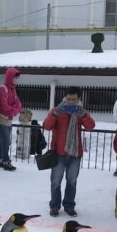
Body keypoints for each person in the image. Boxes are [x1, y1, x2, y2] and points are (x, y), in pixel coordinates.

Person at [43, 87, 96, 217]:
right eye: (69, 99)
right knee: (55, 181)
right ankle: (55, 206)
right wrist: (55, 113)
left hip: (75, 153)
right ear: (65, 98)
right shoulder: (57, 110)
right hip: (59, 152)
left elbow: (90, 126)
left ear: (79, 99)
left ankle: (69, 205)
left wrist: (83, 114)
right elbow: (47, 126)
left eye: (74, 99)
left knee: (72, 182)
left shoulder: (81, 112)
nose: (71, 102)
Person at [0, 67, 22, 171]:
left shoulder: (13, 89)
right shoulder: (2, 88)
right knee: (6, 140)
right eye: (15, 77)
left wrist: (13, 110)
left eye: (17, 77)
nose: (16, 79)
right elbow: (4, 106)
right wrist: (14, 110)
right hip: (0, 118)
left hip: (8, 118)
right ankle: (6, 161)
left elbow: (19, 104)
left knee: (5, 141)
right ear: (10, 77)